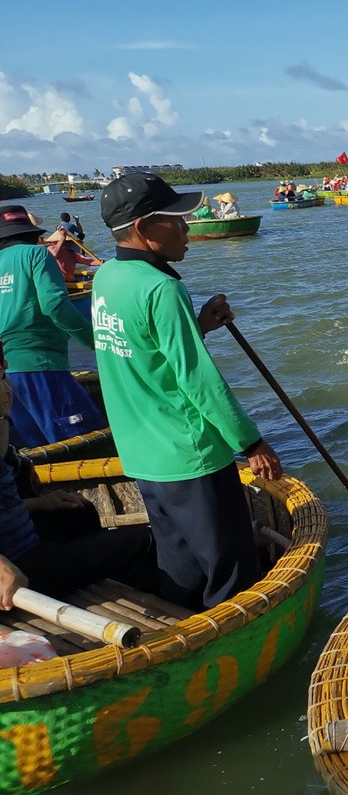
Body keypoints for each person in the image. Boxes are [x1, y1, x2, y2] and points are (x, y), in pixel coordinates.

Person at [93, 172, 283, 610]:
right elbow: (199, 380)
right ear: (143, 229)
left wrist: (198, 326)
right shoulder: (162, 287)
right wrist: (251, 441)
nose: (188, 231)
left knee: (179, 563)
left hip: (143, 453)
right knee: (231, 570)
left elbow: (142, 353)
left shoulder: (108, 276)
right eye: (177, 222)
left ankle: (185, 620)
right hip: (190, 453)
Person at [0, 346, 156, 610]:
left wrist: (40, 504)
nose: (5, 369)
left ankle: (105, 582)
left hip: (22, 542)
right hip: (18, 569)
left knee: (79, 511)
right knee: (142, 540)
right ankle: (158, 611)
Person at [0, 204, 104, 448]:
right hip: (40, 364)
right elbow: (55, 305)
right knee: (86, 442)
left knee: (34, 449)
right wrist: (94, 341)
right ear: (32, 235)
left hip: (6, 372)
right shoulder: (37, 255)